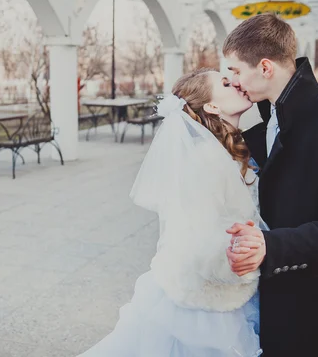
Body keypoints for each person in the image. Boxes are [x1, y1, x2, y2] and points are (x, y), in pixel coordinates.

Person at [78, 69, 268, 357]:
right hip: (207, 302)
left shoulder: (226, 149)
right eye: (226, 83)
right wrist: (247, 265)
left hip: (216, 291)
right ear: (212, 107)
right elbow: (198, 239)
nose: (237, 84)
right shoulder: (208, 159)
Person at [223, 13, 318, 357]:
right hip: (282, 305)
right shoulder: (270, 117)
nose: (233, 81)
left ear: (264, 67)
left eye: (235, 71)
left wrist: (272, 246)